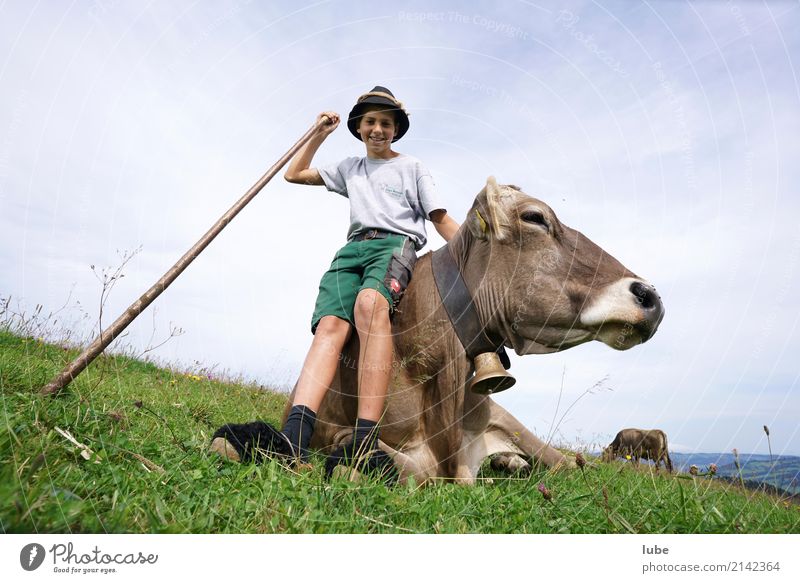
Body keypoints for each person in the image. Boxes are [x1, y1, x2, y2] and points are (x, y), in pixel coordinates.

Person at [277, 86, 459, 476]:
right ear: (359, 128)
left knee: (370, 305)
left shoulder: (412, 167)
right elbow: (293, 174)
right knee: (330, 326)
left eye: (386, 123)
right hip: (352, 250)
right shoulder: (349, 168)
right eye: (371, 122)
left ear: (396, 130)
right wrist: (318, 134)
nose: (378, 129)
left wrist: (473, 252)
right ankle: (293, 438)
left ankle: (364, 440)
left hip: (394, 246)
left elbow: (440, 218)